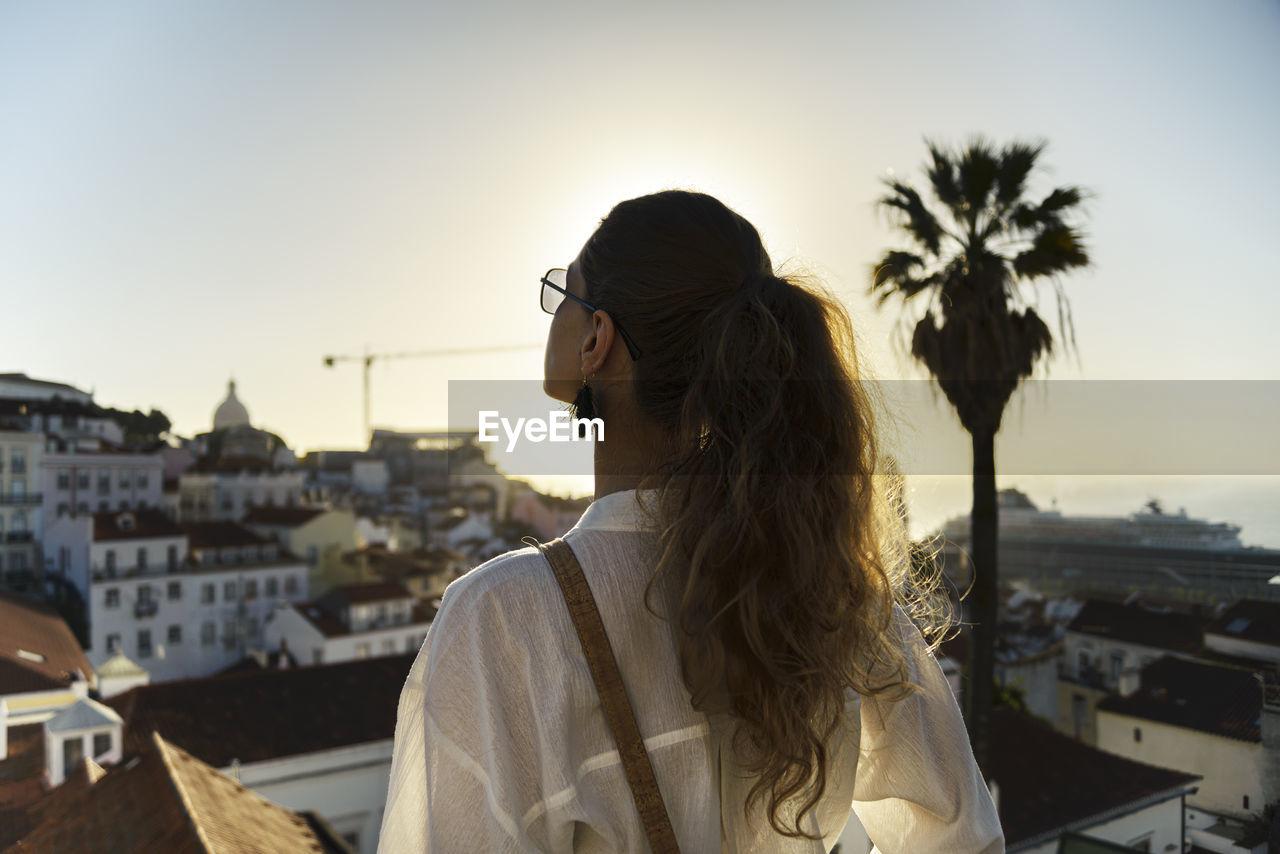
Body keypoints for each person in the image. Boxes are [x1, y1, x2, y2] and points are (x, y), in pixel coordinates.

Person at [377, 190, 1005, 853]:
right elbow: (966, 841)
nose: (555, 308)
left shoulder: (503, 618)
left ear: (598, 339)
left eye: (566, 292)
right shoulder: (837, 601)